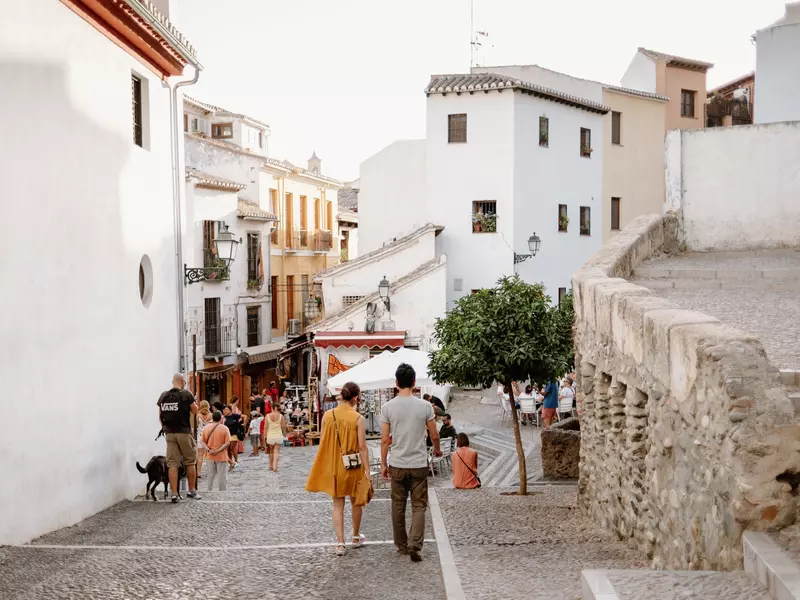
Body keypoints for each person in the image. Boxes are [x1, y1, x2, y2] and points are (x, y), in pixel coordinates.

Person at [381, 364, 442, 563]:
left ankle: (401, 544)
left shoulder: (387, 407)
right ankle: (415, 543)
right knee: (419, 505)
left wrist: (383, 464)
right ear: (415, 383)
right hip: (418, 463)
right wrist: (438, 449)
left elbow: (384, 440)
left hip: (397, 462)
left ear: (396, 383)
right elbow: (434, 433)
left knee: (398, 504)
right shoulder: (425, 406)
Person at [306, 382, 371, 556]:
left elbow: (325, 441)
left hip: (335, 466)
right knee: (356, 501)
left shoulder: (327, 415)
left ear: (341, 396)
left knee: (337, 504)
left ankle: (340, 544)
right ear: (355, 398)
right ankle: (356, 537)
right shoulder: (358, 419)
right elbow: (362, 447)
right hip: (353, 466)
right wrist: (367, 470)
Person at [157, 373, 201, 502]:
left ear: (173, 382)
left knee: (172, 464)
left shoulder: (163, 396)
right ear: (182, 381)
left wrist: (165, 428)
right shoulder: (186, 394)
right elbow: (195, 411)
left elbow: (160, 415)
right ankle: (192, 490)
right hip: (184, 432)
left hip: (170, 434)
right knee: (190, 461)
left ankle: (174, 494)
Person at [201, 410, 231, 491]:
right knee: (222, 477)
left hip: (209, 455)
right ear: (221, 417)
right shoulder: (225, 428)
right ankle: (222, 492)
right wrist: (217, 451)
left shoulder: (206, 428)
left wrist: (208, 449)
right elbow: (227, 443)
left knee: (210, 476)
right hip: (221, 456)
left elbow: (202, 441)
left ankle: (209, 491)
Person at [265, 400, 287, 472]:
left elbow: (266, 427)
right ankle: (275, 466)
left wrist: (265, 437)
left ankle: (270, 465)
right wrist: (284, 433)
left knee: (271, 451)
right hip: (278, 435)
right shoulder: (281, 416)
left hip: (270, 436)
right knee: (276, 451)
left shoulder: (267, 416)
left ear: (272, 407)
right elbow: (283, 426)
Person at [223, 405, 244, 471]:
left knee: (232, 447)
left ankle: (236, 461)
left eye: (227, 409)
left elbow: (244, 417)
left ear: (230, 410)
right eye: (224, 410)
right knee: (229, 449)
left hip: (234, 434)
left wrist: (243, 424)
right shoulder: (224, 417)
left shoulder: (235, 416)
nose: (225, 411)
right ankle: (231, 463)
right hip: (227, 435)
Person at [195, 401, 213, 478]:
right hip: (209, 436)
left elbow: (195, 427)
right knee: (209, 454)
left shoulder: (198, 415)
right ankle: (210, 472)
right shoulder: (211, 415)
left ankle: (198, 473)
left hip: (200, 436)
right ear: (208, 406)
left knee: (200, 455)